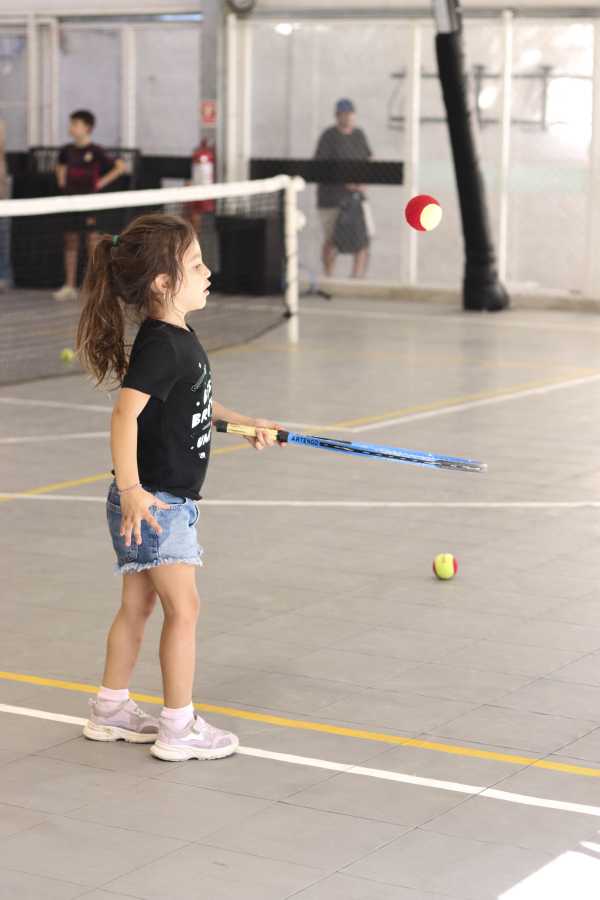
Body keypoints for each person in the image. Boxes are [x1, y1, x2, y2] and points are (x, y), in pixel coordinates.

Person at [75, 213, 283, 761]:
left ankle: (110, 709)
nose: (208, 272)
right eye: (195, 265)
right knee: (184, 610)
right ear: (163, 283)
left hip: (152, 500)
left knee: (138, 606)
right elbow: (125, 414)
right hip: (157, 503)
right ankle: (178, 727)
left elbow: (194, 403)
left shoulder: (175, 337)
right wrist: (133, 489)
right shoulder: (164, 346)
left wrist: (245, 424)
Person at [54, 109, 125, 302]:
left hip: (90, 202)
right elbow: (59, 166)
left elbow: (120, 167)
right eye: (71, 124)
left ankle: (96, 286)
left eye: (75, 124)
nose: (71, 127)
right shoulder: (66, 151)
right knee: (70, 241)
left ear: (87, 128)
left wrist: (100, 183)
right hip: (70, 202)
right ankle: (69, 286)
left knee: (92, 242)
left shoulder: (96, 151)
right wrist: (61, 180)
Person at [314, 98, 372, 279]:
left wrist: (363, 182)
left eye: (350, 114)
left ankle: (356, 278)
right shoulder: (329, 137)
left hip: (356, 198)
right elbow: (321, 167)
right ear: (337, 116)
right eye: (343, 114)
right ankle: (328, 277)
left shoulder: (359, 135)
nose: (347, 118)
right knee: (333, 239)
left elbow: (369, 160)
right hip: (332, 199)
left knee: (363, 239)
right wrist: (344, 182)